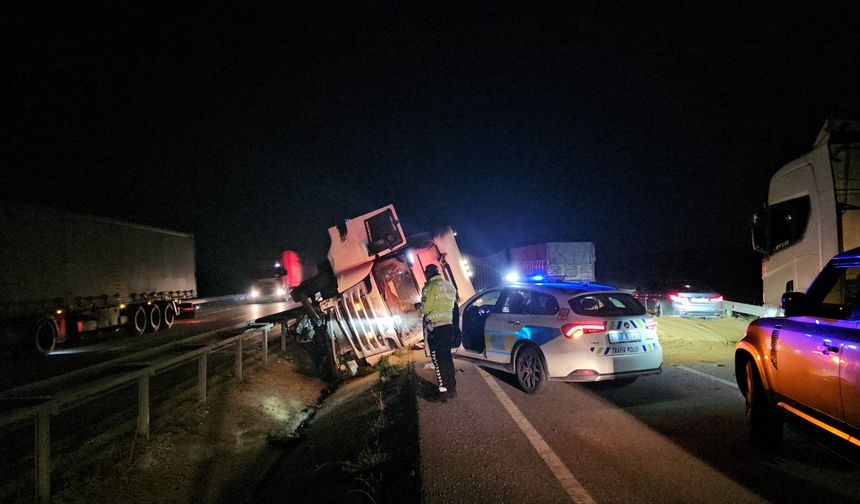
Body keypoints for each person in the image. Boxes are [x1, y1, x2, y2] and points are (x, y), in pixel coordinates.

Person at [420, 264, 458, 400]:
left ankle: (443, 392)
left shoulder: (429, 288)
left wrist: (420, 306)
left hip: (435, 329)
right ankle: (452, 389)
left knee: (438, 361)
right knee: (447, 359)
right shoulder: (449, 286)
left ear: (428, 274)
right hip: (448, 326)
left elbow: (425, 309)